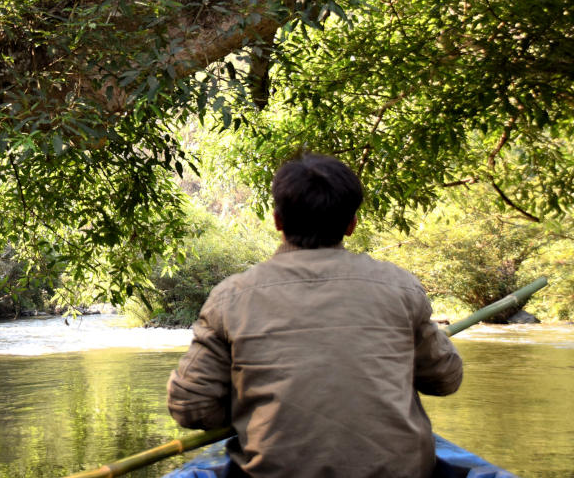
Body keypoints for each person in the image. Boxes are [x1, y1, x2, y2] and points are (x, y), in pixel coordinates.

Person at [167, 154, 463, 478]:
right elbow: (444, 380)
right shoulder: (401, 288)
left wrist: (249, 407)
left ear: (278, 220)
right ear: (351, 224)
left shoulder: (231, 297)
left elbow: (190, 407)